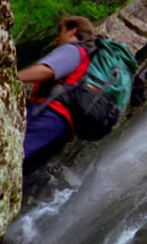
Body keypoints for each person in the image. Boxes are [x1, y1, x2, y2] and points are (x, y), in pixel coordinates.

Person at [17, 16, 94, 170]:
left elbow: (46, 71)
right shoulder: (88, 62)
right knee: (19, 167)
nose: (57, 38)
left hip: (48, 116)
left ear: (73, 32)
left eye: (61, 32)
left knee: (11, 154)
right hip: (61, 131)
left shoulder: (73, 50)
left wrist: (10, 78)